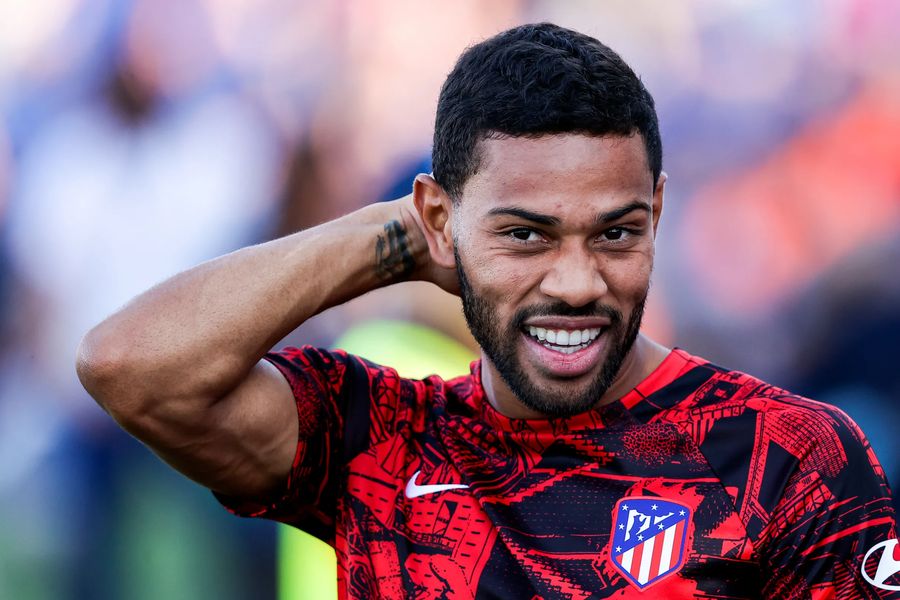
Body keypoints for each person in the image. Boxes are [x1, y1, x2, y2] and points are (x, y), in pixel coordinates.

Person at [76, 23, 898, 599]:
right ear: (441, 222)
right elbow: (130, 366)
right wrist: (396, 237)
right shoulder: (382, 439)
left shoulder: (789, 457)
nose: (576, 282)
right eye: (525, 234)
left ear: (656, 213)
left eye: (615, 233)